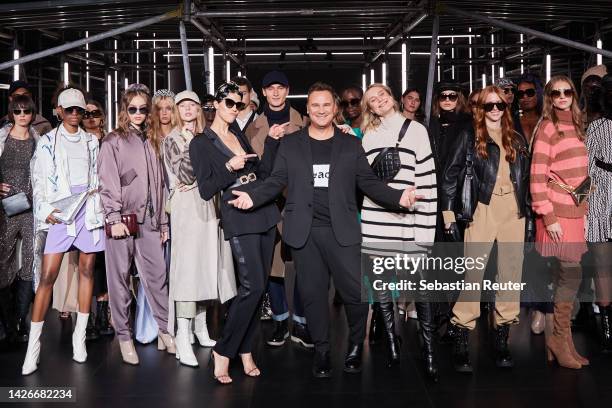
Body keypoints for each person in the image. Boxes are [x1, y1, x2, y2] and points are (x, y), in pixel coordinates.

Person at [228, 82, 419, 379]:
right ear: (308, 109)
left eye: (326, 105)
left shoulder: (350, 144)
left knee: (355, 295)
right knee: (314, 297)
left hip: (342, 231)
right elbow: (276, 180)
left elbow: (367, 182)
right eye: (315, 105)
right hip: (305, 233)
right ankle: (322, 350)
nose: (320, 110)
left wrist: (399, 197)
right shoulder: (291, 144)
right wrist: (252, 196)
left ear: (335, 109)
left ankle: (356, 344)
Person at [189, 81, 282, 384]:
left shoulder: (238, 133)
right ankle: (224, 350)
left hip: (263, 210)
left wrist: (272, 143)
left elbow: (263, 173)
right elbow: (205, 189)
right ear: (215, 103)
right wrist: (229, 168)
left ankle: (244, 349)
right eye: (228, 103)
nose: (234, 109)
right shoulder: (201, 142)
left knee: (260, 287)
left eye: (239, 104)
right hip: (238, 214)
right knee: (252, 287)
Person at [442, 85, 533, 372]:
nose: (495, 110)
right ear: (479, 109)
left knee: (510, 274)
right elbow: (449, 174)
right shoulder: (469, 136)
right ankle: (461, 334)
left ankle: (502, 337)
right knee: (474, 272)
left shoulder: (516, 138)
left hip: (513, 212)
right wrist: (448, 215)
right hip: (482, 208)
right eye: (488, 105)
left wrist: (529, 216)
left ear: (506, 109)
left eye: (500, 105)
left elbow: (527, 179)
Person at [22, 88, 105, 375]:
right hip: (61, 209)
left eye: (78, 110)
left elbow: (97, 175)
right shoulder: (46, 141)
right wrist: (46, 210)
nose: (73, 114)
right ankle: (33, 349)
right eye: (68, 109)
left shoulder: (92, 141)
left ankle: (78, 340)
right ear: (58, 110)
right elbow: (39, 178)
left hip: (89, 208)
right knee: (47, 276)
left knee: (86, 270)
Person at [360, 83, 438, 380]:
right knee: (381, 286)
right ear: (369, 108)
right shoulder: (368, 135)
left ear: (391, 97)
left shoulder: (416, 130)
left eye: (381, 95)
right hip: (376, 219)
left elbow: (428, 183)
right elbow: (365, 182)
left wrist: (425, 232)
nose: (378, 101)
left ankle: (428, 350)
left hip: (409, 220)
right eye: (372, 100)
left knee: (421, 289)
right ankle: (393, 343)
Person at [98, 84, 174, 366]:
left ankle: (166, 331)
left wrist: (163, 221)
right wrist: (114, 217)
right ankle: (124, 337)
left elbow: (161, 184)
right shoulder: (112, 141)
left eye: (144, 109)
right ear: (124, 109)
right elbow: (107, 182)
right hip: (123, 221)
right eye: (133, 109)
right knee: (118, 280)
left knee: (158, 278)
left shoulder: (154, 139)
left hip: (151, 222)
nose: (139, 114)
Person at [162, 90, 236, 367]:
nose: (189, 109)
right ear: (177, 110)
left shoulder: (207, 138)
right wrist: (193, 145)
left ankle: (201, 328)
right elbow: (184, 174)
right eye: (183, 105)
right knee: (187, 270)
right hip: (185, 206)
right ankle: (183, 335)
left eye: (193, 104)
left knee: (206, 266)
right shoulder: (172, 140)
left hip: (208, 204)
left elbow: (218, 171)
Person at [245, 70, 311, 349]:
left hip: (300, 201)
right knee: (273, 266)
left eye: (280, 87)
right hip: (269, 204)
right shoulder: (253, 128)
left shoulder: (305, 122)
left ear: (287, 90)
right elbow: (254, 169)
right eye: (270, 87)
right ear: (262, 92)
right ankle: (280, 320)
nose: (275, 92)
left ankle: (302, 322)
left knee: (302, 264)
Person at [530, 75, 589, 369]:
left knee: (567, 277)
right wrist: (548, 216)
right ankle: (557, 339)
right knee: (570, 274)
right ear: (549, 97)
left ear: (574, 95)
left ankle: (563, 342)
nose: (563, 96)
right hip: (557, 212)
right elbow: (537, 176)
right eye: (556, 93)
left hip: (576, 210)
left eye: (567, 92)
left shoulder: (577, 126)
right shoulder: (547, 128)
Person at [0, 95, 39, 346]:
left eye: (26, 110)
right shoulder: (1, 137)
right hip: (4, 209)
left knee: (30, 263)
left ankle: (20, 319)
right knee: (3, 261)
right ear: (11, 113)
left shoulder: (39, 139)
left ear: (32, 113)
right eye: (17, 111)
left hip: (31, 208)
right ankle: (7, 323)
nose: (22, 114)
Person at [81, 100, 114, 340]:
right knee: (86, 264)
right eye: (86, 114)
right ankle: (88, 316)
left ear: (102, 117)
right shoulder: (78, 143)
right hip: (83, 209)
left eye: (95, 113)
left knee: (104, 263)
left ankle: (103, 315)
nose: (91, 117)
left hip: (108, 207)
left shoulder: (111, 141)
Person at [585, 74, 612, 352]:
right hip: (602, 199)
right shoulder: (596, 127)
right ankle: (606, 324)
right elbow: (586, 170)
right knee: (602, 265)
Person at [428, 80, 472, 241]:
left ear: (459, 98)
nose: (447, 100)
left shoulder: (468, 123)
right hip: (435, 185)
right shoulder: (431, 123)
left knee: (458, 235)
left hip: (459, 188)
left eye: (452, 96)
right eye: (443, 96)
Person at [516, 74, 544, 145]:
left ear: (538, 93)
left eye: (530, 92)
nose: (525, 97)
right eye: (520, 94)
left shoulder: (547, 120)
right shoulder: (512, 123)